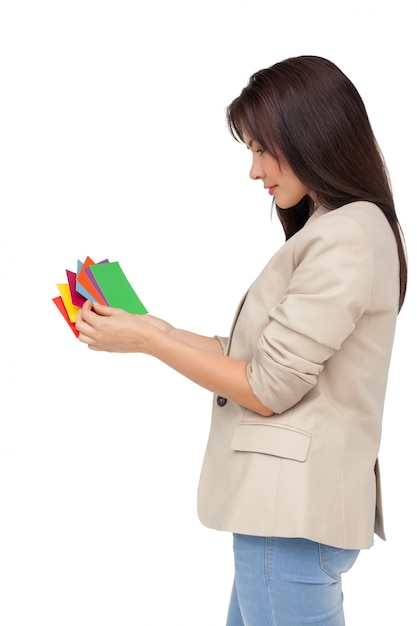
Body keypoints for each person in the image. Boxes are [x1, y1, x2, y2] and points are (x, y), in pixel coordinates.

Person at [75, 55, 407, 625]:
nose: (254, 171)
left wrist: (150, 344)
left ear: (310, 136)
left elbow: (267, 386)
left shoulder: (345, 235)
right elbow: (261, 358)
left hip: (290, 521)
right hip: (286, 520)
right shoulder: (342, 228)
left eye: (260, 148)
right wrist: (153, 328)